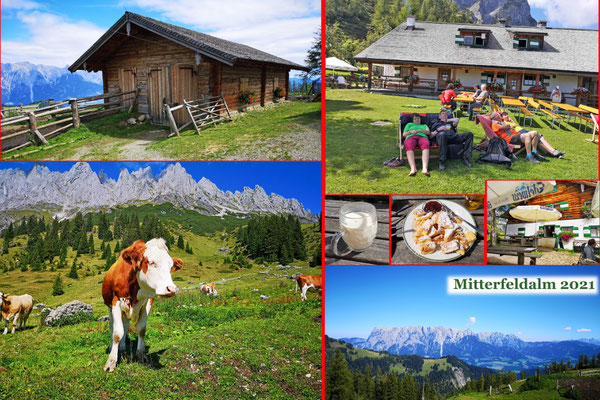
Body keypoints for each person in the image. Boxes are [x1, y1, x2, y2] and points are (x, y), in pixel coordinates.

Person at [499, 111, 565, 158]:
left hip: (523, 130)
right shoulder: (504, 122)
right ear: (501, 117)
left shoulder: (510, 121)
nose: (507, 115)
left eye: (507, 114)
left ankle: (553, 151)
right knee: (538, 140)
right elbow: (510, 126)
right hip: (520, 133)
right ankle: (552, 152)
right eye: (505, 115)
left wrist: (510, 119)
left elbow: (513, 122)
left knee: (541, 137)